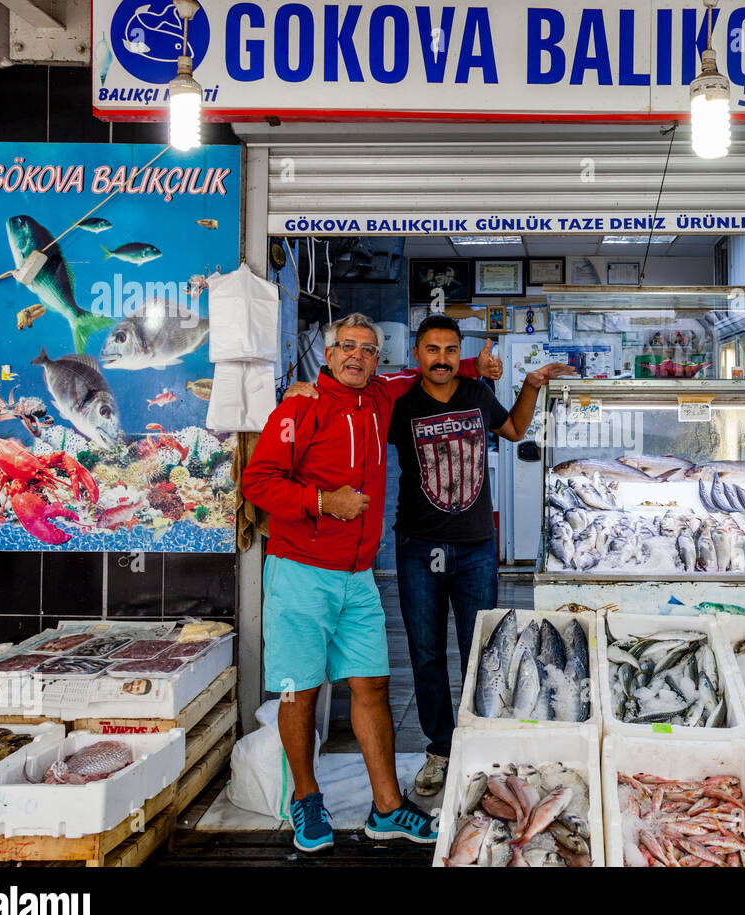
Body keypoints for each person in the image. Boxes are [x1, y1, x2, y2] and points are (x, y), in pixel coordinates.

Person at [243, 313, 500, 852]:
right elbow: (258, 481)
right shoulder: (300, 407)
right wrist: (321, 501)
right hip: (301, 572)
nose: (358, 356)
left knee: (373, 685)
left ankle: (386, 808)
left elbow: (429, 370)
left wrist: (478, 364)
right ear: (329, 355)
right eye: (348, 347)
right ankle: (306, 799)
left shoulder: (383, 395)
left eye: (368, 349)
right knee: (301, 691)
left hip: (358, 577)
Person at [391, 316, 571, 795]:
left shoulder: (475, 394)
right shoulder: (400, 403)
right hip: (417, 546)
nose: (442, 359)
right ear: (417, 355)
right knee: (426, 653)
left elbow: (513, 428)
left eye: (451, 350)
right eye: (433, 350)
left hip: (475, 547)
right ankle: (440, 750)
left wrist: (530, 385)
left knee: (484, 650)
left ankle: (484, 738)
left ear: (458, 354)